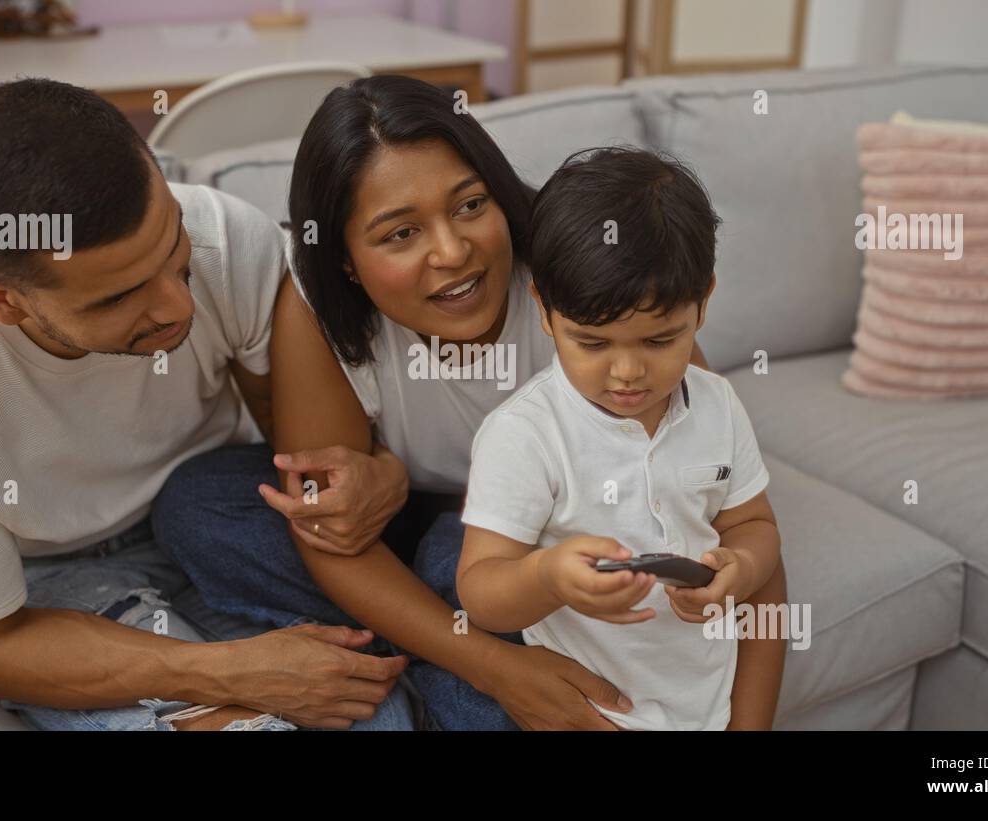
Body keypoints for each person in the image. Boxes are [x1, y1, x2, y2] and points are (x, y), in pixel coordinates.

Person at [155, 76, 788, 730]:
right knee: (199, 505)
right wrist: (498, 667)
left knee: (448, 557)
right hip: (437, 544)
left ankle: (396, 665)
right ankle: (436, 662)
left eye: (469, 204)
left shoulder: (581, 277)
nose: (453, 252)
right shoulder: (318, 310)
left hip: (533, 545)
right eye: (400, 234)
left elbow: (731, 518)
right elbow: (330, 534)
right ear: (345, 260)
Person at [0, 78, 412, 731]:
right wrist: (234, 671)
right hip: (42, 593)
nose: (178, 308)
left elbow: (307, 456)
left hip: (212, 516)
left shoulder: (224, 237)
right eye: (117, 299)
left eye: (174, 251)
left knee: (383, 714)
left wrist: (383, 471)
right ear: (1, 301)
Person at [456, 147, 781, 730]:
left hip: (708, 703)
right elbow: (481, 590)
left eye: (658, 342)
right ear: (546, 311)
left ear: (703, 303)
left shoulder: (718, 404)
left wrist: (744, 570)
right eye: (594, 343)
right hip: (598, 712)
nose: (627, 373)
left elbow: (753, 526)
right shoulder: (525, 434)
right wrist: (549, 577)